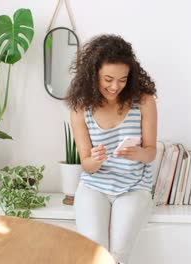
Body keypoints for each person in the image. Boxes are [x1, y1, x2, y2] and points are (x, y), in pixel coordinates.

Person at [65, 34, 157, 264]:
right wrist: (94, 160)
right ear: (92, 74)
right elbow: (86, 164)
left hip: (134, 186)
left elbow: (151, 152)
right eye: (108, 79)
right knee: (95, 250)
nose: (115, 86)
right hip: (94, 185)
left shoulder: (144, 101)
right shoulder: (80, 107)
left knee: (118, 254)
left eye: (123, 79)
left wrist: (139, 153)